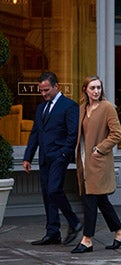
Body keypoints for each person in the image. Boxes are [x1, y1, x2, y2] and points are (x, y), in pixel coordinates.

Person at [70, 76, 121, 254]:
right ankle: (120, 233)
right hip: (84, 160)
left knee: (90, 200)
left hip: (98, 161)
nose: (96, 91)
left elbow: (117, 134)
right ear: (85, 90)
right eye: (92, 88)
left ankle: (87, 239)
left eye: (98, 88)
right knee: (102, 201)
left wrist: (99, 149)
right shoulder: (82, 109)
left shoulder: (107, 108)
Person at [23, 71, 82, 245]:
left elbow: (73, 134)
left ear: (57, 86)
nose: (43, 94)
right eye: (41, 90)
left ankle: (74, 222)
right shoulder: (41, 108)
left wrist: (64, 154)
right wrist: (28, 157)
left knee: (54, 190)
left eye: (46, 90)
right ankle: (52, 232)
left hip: (59, 156)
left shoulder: (69, 106)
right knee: (47, 195)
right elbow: (35, 133)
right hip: (44, 157)